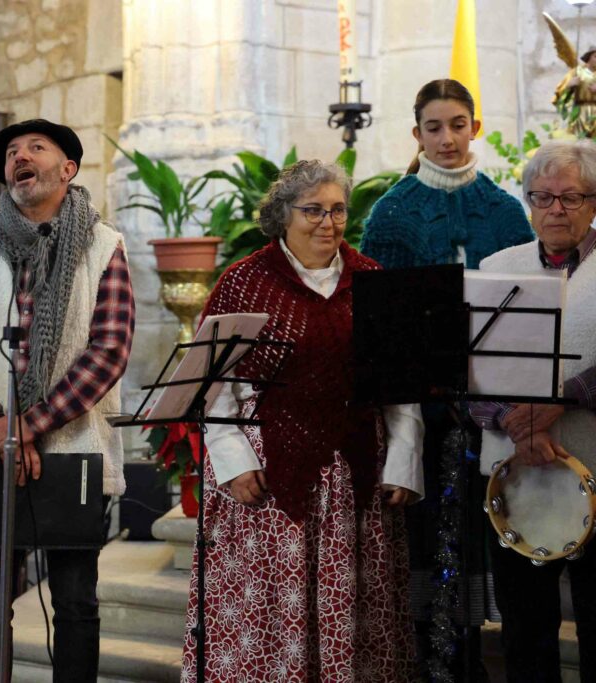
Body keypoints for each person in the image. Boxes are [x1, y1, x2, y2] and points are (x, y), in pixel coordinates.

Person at [180, 160, 423, 681]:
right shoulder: (243, 281)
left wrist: (402, 463)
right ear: (281, 215)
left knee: (358, 608)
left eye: (337, 210)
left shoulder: (373, 280)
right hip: (265, 472)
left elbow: (400, 390)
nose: (327, 223)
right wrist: (232, 462)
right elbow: (213, 389)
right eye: (312, 210)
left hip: (354, 471)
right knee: (268, 617)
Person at [0, 119, 134, 682]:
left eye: (35, 148)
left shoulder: (103, 246)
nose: (19, 157)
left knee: (74, 604)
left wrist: (31, 424)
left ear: (67, 170)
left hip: (73, 450)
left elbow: (108, 351)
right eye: (11, 153)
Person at [360, 78, 534, 677]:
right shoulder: (392, 211)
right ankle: (428, 662)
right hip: (422, 407)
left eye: (458, 125)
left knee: (488, 541)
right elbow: (380, 319)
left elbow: (529, 311)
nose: (447, 138)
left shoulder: (507, 210)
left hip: (495, 407)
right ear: (417, 134)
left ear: (475, 128)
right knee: (427, 534)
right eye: (433, 128)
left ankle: (471, 661)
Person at [469, 139, 596, 683]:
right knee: (525, 634)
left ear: (593, 202)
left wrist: (560, 401)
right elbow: (468, 368)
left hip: (593, 470)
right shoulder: (498, 267)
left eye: (570, 197)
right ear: (527, 203)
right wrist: (511, 421)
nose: (555, 210)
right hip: (513, 479)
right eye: (542, 197)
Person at [554, 48, 596, 139]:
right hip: (581, 112)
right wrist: (569, 86)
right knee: (579, 142)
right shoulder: (577, 72)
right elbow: (560, 94)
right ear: (588, 57)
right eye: (595, 57)